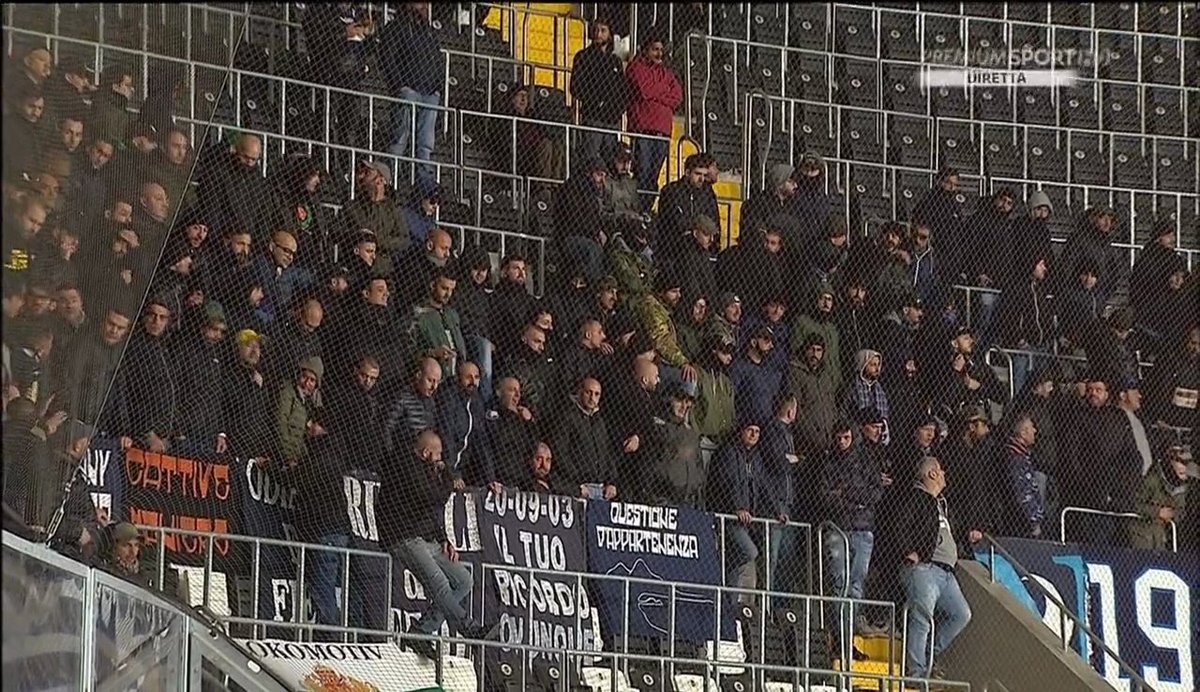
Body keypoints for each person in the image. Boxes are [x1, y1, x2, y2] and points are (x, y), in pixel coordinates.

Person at [380, 429, 494, 659]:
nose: (441, 458)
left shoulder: (427, 471)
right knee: (439, 582)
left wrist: (443, 539)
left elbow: (431, 511)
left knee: (463, 579)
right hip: (404, 537)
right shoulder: (405, 465)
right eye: (437, 453)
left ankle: (421, 631)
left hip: (425, 538)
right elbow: (427, 497)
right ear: (425, 452)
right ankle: (469, 627)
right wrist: (449, 486)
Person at [887, 456, 975, 679]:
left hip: (946, 573)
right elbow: (899, 525)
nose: (944, 474)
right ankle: (916, 672)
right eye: (941, 471)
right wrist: (909, 551)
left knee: (961, 614)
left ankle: (927, 658)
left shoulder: (938, 503)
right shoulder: (916, 497)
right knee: (922, 618)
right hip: (925, 569)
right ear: (932, 474)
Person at [379, 2, 442, 180]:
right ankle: (394, 173)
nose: (424, 7)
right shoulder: (395, 27)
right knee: (401, 135)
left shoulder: (429, 32)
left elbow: (438, 60)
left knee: (425, 141)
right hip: (408, 90)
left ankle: (423, 175)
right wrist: (399, 85)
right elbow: (387, 58)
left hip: (429, 92)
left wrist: (437, 89)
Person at [625, 30, 681, 207]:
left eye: (661, 50)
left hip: (663, 131)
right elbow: (644, 90)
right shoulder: (636, 67)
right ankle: (635, 207)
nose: (659, 54)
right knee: (642, 171)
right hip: (643, 129)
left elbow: (678, 97)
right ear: (645, 50)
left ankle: (646, 210)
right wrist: (664, 92)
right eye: (655, 49)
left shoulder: (667, 73)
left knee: (653, 175)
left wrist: (656, 93)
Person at [570, 17, 627, 167]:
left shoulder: (615, 61)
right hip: (592, 116)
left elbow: (622, 90)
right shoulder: (583, 57)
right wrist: (596, 101)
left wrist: (618, 109)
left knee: (610, 161)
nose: (598, 34)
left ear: (609, 34)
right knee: (590, 160)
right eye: (596, 30)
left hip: (612, 119)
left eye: (603, 30)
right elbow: (575, 86)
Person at [552, 377, 618, 500]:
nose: (592, 398)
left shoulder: (600, 422)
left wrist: (611, 482)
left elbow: (608, 453)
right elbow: (560, 451)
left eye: (597, 394)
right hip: (579, 487)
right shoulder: (567, 417)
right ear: (580, 391)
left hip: (601, 488)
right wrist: (576, 481)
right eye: (589, 392)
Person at [1130, 444, 1192, 551]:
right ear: (1170, 462)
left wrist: (1173, 514)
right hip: (1142, 535)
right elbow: (1132, 504)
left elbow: (1182, 511)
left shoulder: (1184, 486)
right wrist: (1157, 512)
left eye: (1188, 463)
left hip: (1162, 537)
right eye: (1181, 462)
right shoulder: (1152, 480)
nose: (1185, 467)